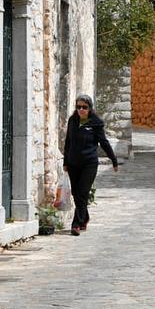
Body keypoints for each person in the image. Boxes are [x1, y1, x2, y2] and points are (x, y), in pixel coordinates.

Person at [62, 94, 118, 235]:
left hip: (89, 163)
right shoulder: (72, 121)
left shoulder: (96, 123)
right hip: (74, 163)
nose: (81, 110)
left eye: (84, 107)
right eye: (78, 107)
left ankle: (75, 224)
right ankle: (84, 217)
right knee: (76, 193)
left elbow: (104, 143)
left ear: (90, 108)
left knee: (82, 192)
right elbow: (68, 142)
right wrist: (65, 162)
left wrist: (113, 159)